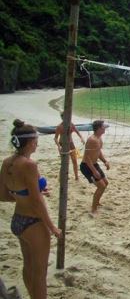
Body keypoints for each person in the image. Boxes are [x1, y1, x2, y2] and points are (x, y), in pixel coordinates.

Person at [0, 119, 62, 299]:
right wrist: (52, 227)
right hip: (33, 222)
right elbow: (36, 202)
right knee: (40, 274)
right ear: (31, 142)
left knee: (28, 267)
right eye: (36, 140)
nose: (37, 143)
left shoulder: (7, 162)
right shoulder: (29, 165)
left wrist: (23, 195)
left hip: (18, 220)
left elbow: (3, 195)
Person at [80, 120, 110, 215]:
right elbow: (87, 157)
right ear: (98, 129)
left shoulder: (99, 138)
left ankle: (97, 202)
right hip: (87, 166)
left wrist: (105, 161)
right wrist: (94, 171)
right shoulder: (92, 140)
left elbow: (98, 152)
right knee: (101, 186)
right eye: (103, 127)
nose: (105, 128)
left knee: (105, 183)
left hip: (94, 164)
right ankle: (93, 209)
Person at [54, 112, 85, 180]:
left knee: (74, 161)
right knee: (65, 162)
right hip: (62, 144)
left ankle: (76, 177)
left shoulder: (71, 124)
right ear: (62, 118)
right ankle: (62, 177)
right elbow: (55, 138)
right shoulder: (60, 126)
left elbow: (77, 132)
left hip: (71, 144)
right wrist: (59, 146)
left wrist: (81, 138)